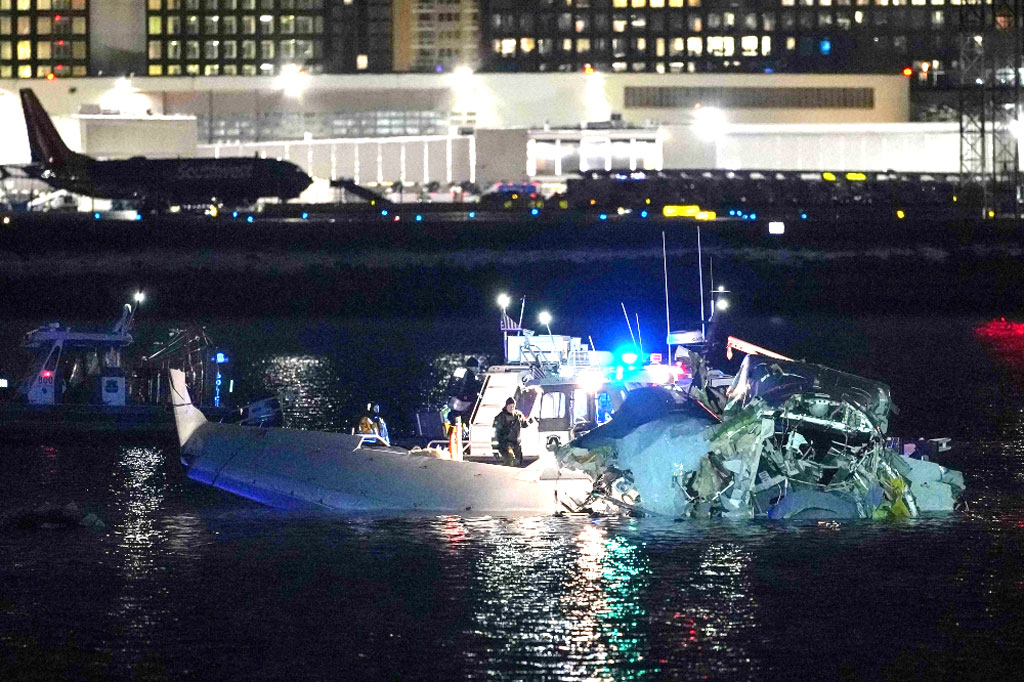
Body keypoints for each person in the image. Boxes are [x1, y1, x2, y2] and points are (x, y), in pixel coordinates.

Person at [492, 396, 528, 467]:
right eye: (510, 406)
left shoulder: (518, 415)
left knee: (518, 462)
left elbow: (525, 424)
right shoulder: (500, 418)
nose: (512, 408)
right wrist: (495, 451)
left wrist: (532, 420)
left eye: (513, 406)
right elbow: (495, 435)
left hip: (516, 444)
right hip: (505, 444)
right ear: (506, 406)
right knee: (510, 459)